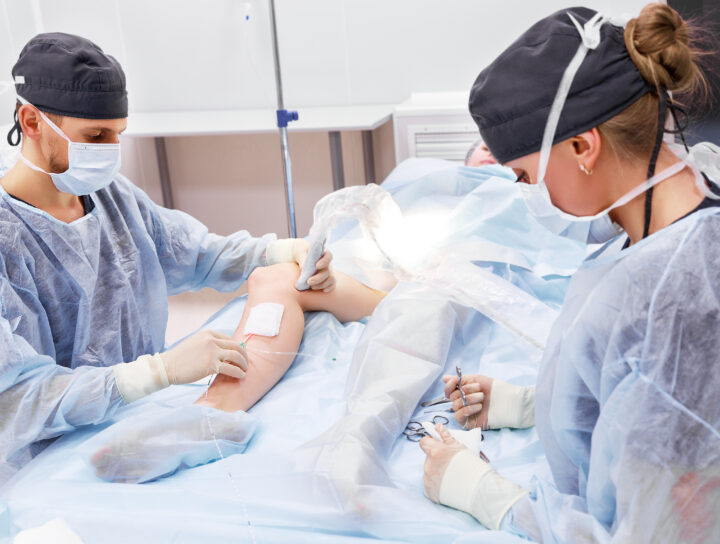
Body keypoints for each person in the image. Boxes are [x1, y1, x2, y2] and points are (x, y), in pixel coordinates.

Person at [0, 32, 379, 482]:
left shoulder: (112, 197)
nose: (107, 152)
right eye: (95, 136)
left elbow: (194, 252)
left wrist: (282, 250)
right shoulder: (10, 239)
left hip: (137, 415)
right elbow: (17, 400)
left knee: (275, 278)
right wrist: (157, 371)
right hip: (47, 454)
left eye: (117, 136)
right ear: (31, 121)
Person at [420, 4, 720, 542]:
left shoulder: (680, 295)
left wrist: (485, 494)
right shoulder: (676, 203)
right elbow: (644, 406)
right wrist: (533, 406)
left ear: (583, 147)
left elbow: (649, 529)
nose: (525, 194)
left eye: (523, 174)